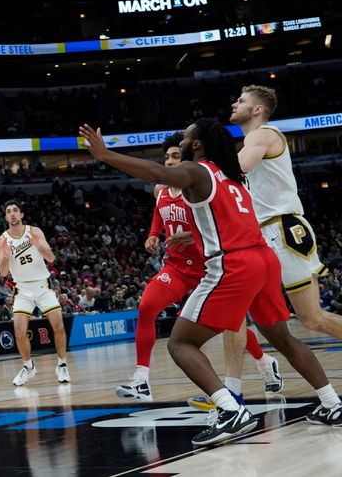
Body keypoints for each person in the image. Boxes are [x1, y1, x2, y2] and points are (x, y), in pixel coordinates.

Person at [80, 119, 342, 445]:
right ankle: (332, 403)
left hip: (234, 265)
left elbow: (159, 174)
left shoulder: (199, 170)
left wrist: (106, 156)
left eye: (187, 138)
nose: (182, 142)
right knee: (283, 338)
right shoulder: (234, 177)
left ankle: (231, 411)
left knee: (181, 342)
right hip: (264, 260)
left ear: (198, 144)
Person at [195, 85, 342, 413]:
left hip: (282, 229)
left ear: (258, 109)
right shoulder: (249, 140)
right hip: (256, 238)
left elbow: (234, 172)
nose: (235, 103)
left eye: (242, 100)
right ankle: (232, 392)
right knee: (235, 314)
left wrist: (192, 170)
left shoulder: (264, 134)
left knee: (313, 319)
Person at [116, 133, 281, 403]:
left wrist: (191, 234)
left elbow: (220, 221)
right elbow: (160, 215)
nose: (169, 162)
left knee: (230, 327)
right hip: (178, 267)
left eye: (175, 156)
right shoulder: (160, 190)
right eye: (167, 157)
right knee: (146, 306)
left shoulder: (200, 184)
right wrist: (154, 234)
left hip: (210, 267)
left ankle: (264, 361)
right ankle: (141, 379)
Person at [0, 200, 70, 386]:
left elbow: (51, 258)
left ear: (21, 214)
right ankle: (28, 367)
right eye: (8, 211)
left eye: (15, 210)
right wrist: (4, 256)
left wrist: (41, 246)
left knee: (59, 326)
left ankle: (62, 365)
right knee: (19, 332)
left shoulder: (34, 232)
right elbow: (3, 272)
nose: (12, 213)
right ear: (6, 217)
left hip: (42, 286)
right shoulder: (1, 240)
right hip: (22, 289)